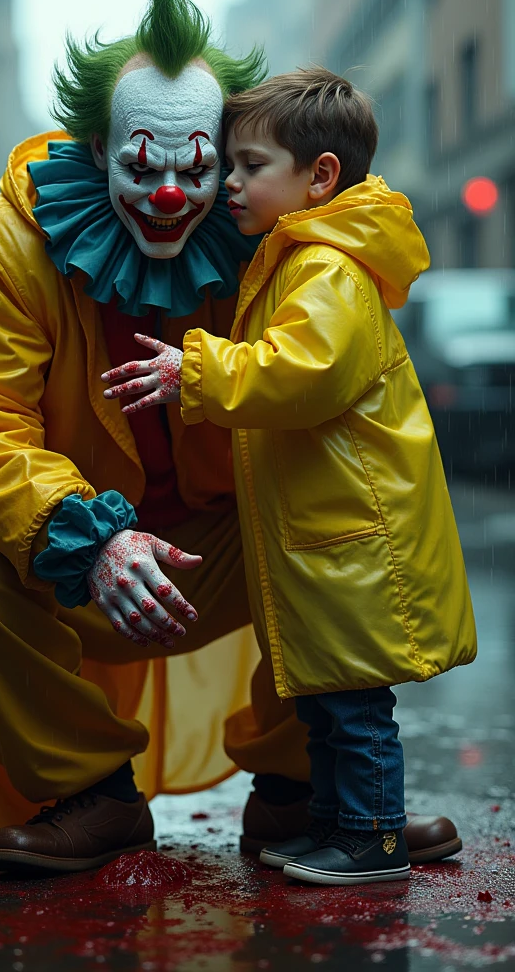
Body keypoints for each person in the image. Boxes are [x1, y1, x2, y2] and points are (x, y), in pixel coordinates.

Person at [0, 0, 461, 874]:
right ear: (97, 146)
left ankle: (310, 792)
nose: (168, 195)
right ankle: (92, 798)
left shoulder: (271, 233)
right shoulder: (4, 243)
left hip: (227, 540)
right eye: (140, 165)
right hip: (70, 551)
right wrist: (91, 539)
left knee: (320, 539)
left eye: (198, 168)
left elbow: (330, 341)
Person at [101, 66, 477, 885]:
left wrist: (193, 371)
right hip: (325, 533)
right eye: (229, 165)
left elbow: (300, 372)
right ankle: (340, 828)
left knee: (354, 710)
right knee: (328, 703)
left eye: (249, 165)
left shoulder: (328, 270)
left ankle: (371, 843)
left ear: (320, 176)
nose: (229, 183)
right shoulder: (299, 256)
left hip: (352, 536)